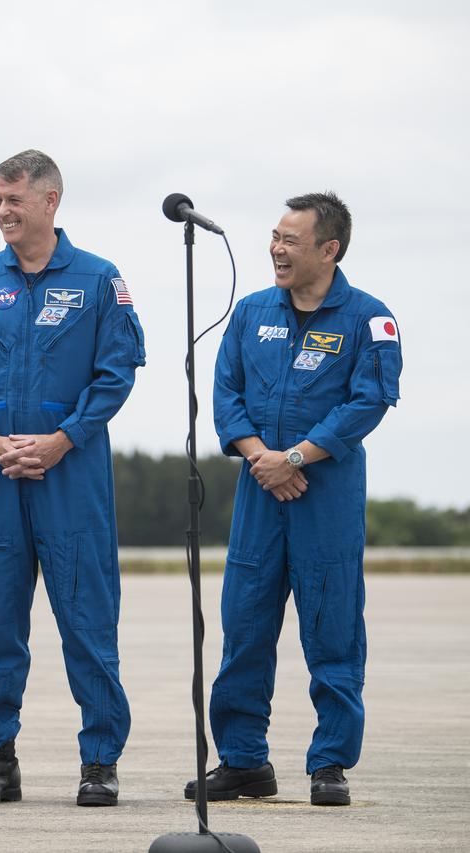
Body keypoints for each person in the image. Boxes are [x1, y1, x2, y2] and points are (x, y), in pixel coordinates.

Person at [0, 150, 145, 808]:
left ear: (50, 202)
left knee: (88, 619)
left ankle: (99, 759)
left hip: (71, 475)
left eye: (14, 200)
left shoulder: (96, 280)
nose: (2, 211)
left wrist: (62, 440)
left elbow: (116, 373)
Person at [186, 192, 401, 807]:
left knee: (332, 629)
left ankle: (329, 763)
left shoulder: (369, 319)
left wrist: (297, 457)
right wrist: (263, 459)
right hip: (260, 493)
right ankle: (244, 762)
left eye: (291, 240)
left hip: (324, 495)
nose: (276, 249)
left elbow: (368, 401)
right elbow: (226, 394)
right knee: (245, 627)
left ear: (329, 250)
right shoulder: (251, 313)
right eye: (274, 237)